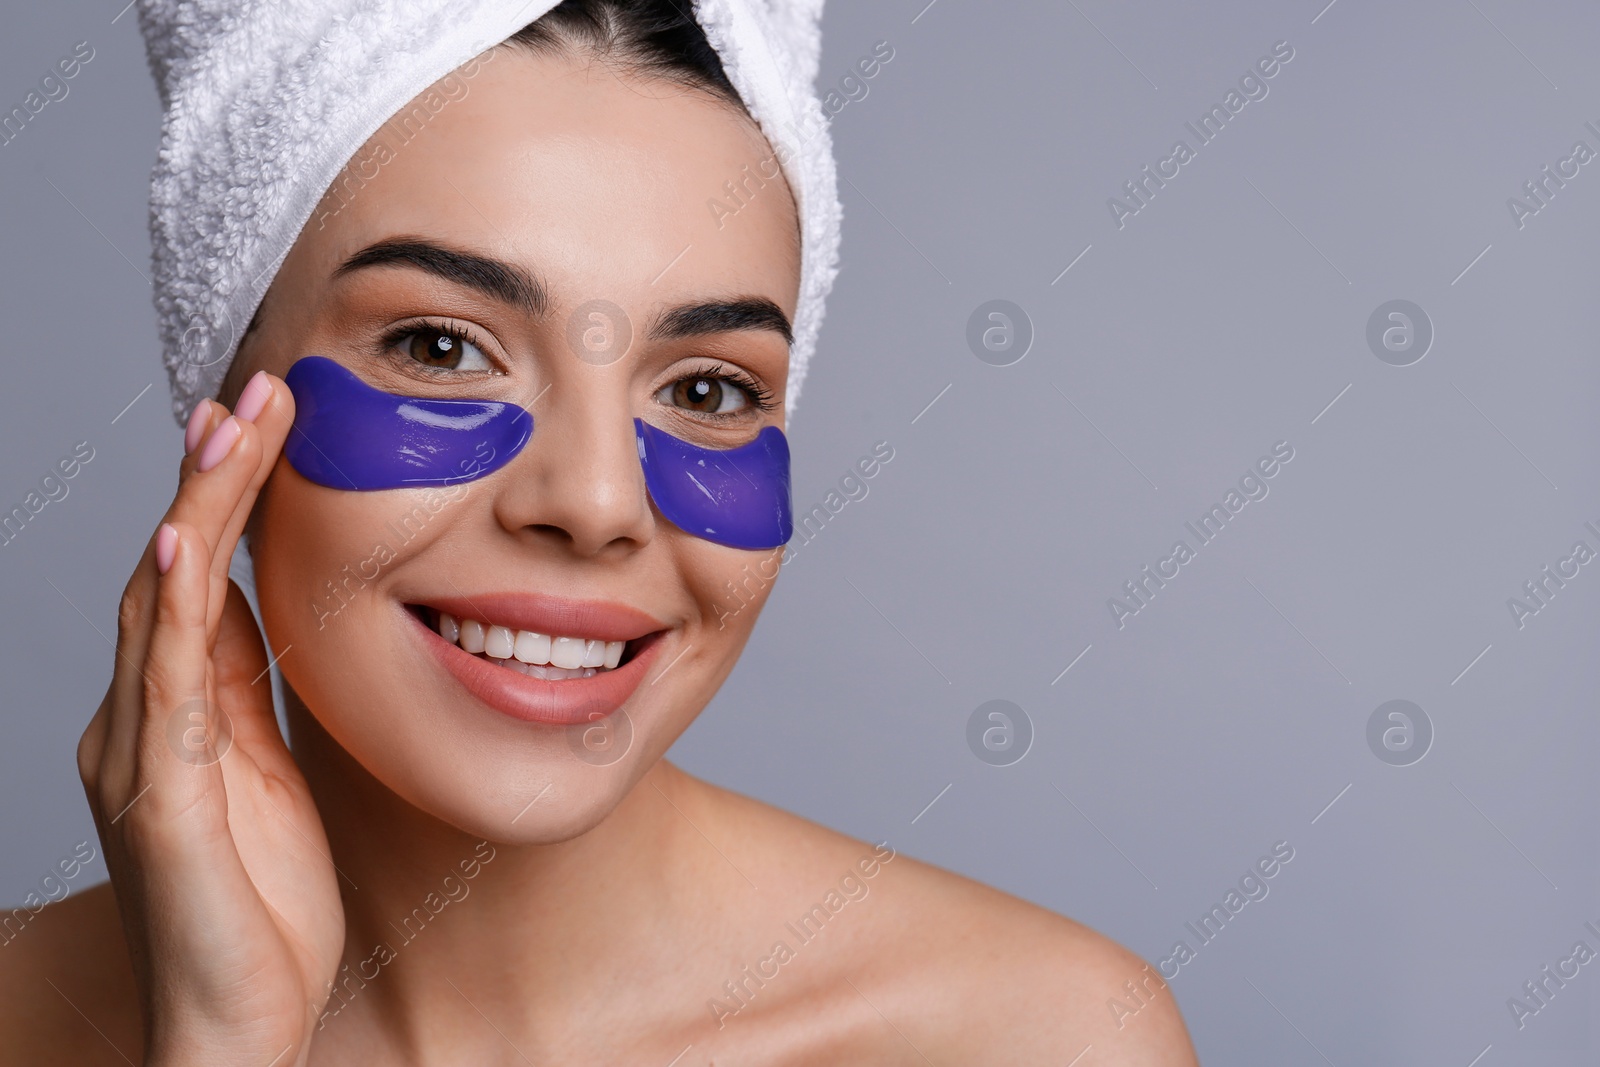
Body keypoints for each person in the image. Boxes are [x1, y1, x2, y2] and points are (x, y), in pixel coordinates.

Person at [1, 2, 1199, 1062]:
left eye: (707, 389)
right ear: (224, 410)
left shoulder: (1033, 1038)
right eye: (440, 347)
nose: (595, 501)